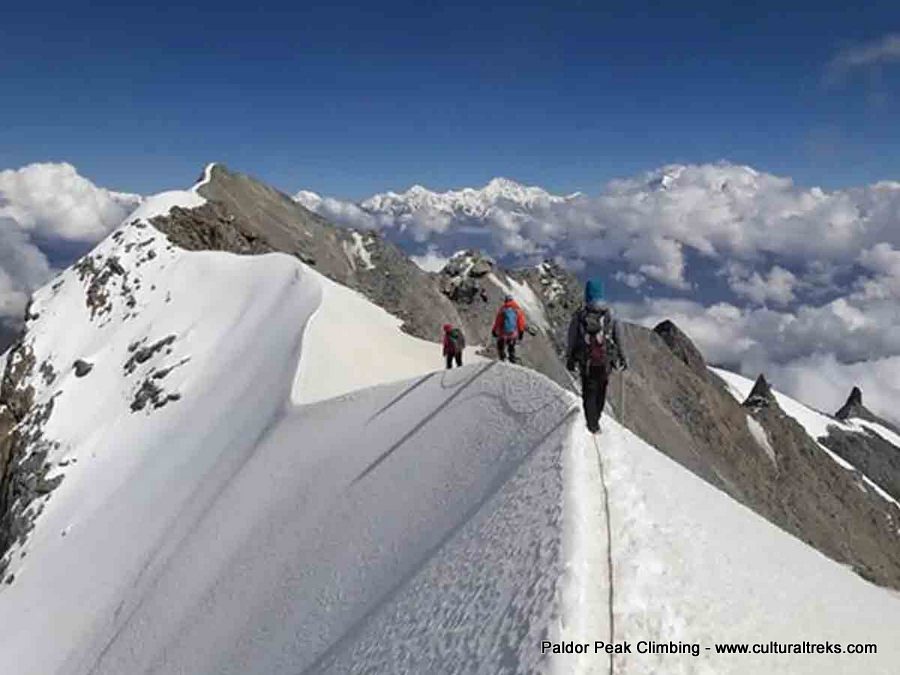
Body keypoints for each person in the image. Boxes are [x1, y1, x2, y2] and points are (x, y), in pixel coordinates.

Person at [566, 279, 627, 433]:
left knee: (589, 391)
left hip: (586, 362)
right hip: (605, 362)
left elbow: (572, 338)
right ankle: (595, 420)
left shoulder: (580, 316)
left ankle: (591, 424)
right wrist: (623, 358)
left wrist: (570, 358)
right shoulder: (610, 315)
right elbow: (619, 338)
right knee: (601, 390)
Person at [492, 294, 526, 364]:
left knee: (500, 345)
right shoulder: (517, 309)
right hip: (513, 333)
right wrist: (521, 332)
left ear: (505, 300)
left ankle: (502, 358)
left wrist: (494, 330)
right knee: (511, 346)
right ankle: (512, 359)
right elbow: (521, 322)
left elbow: (497, 322)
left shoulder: (502, 310)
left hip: (503, 333)